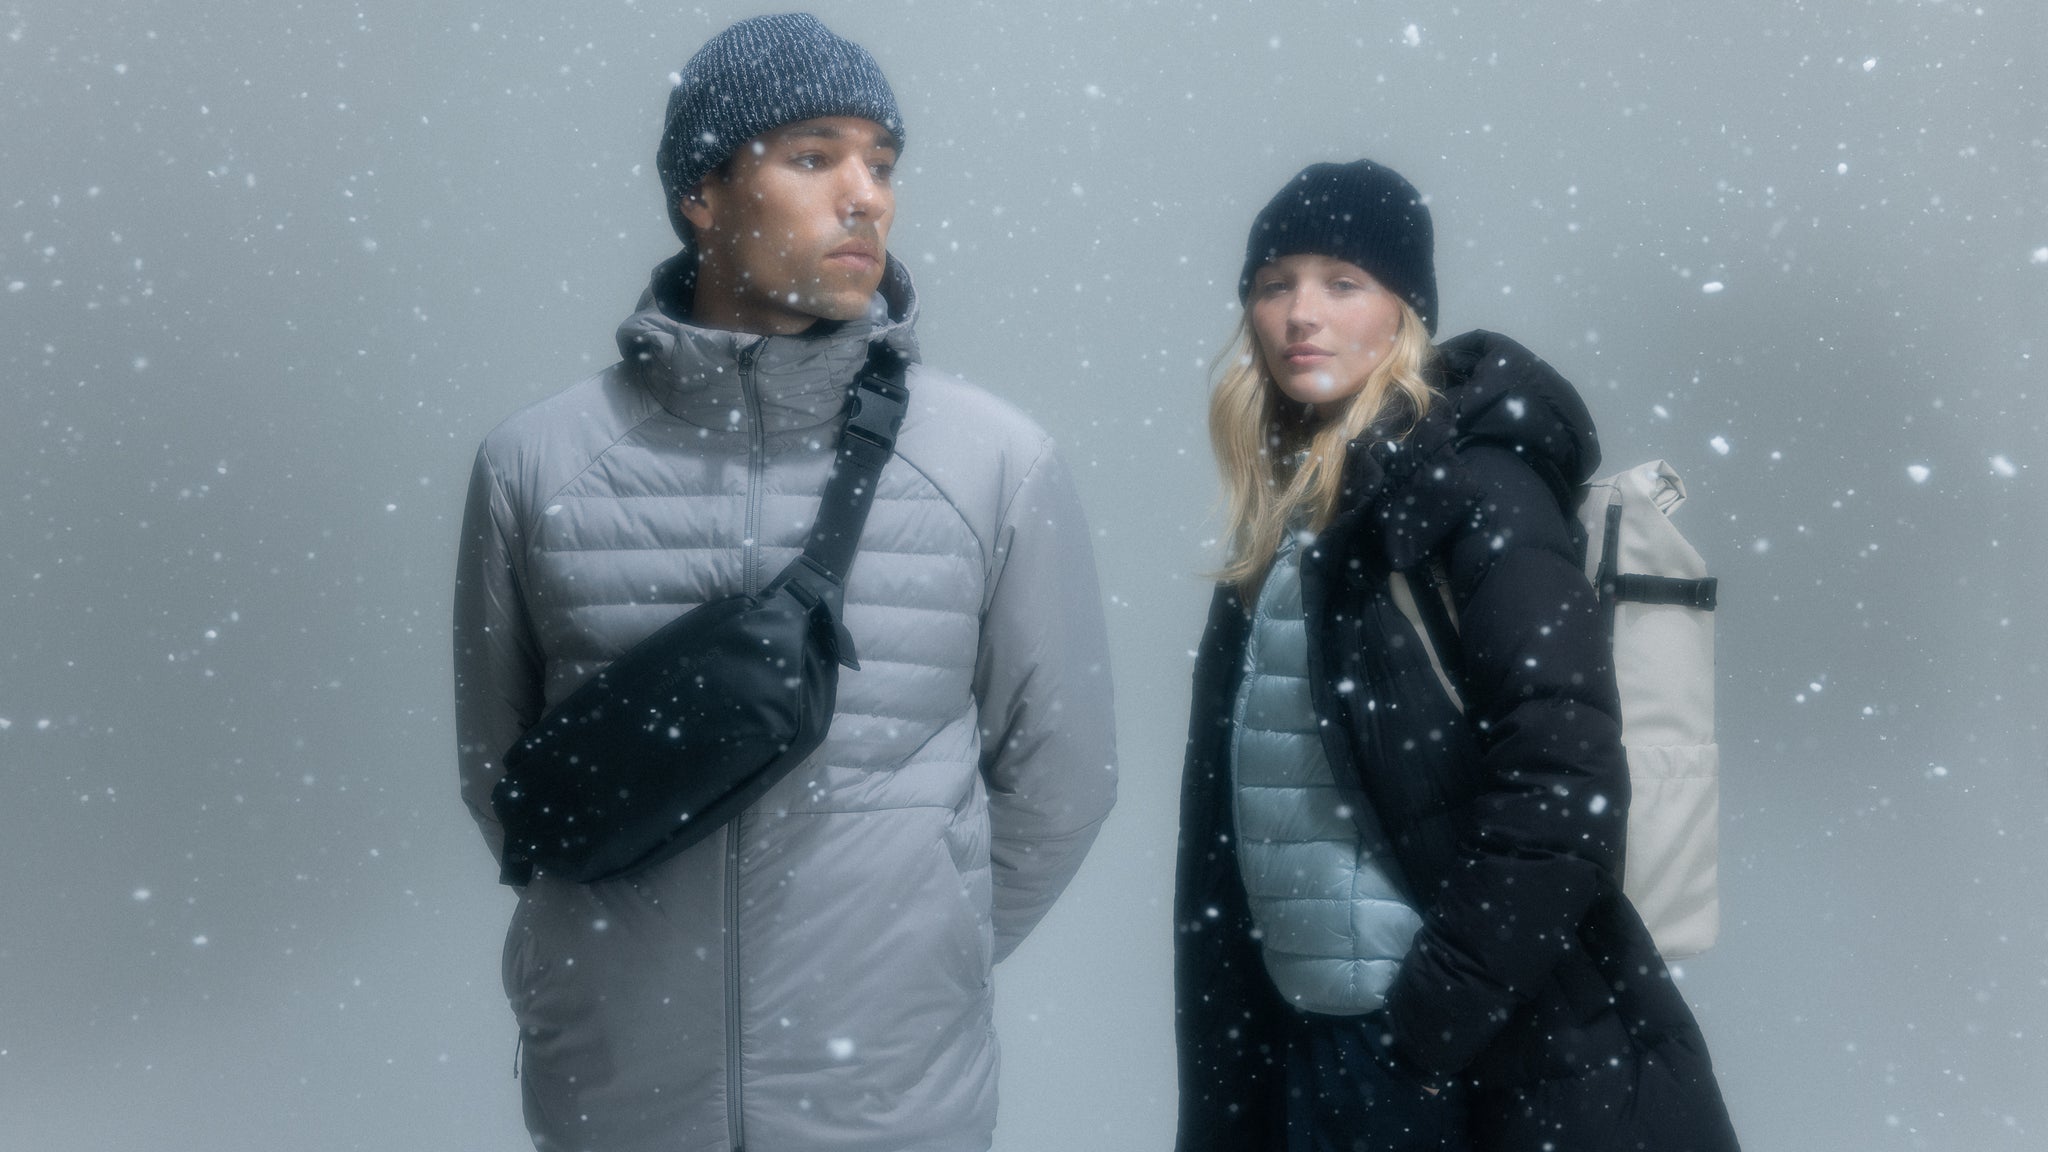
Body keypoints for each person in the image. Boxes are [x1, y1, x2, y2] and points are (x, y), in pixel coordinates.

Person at [452, 15, 1118, 1151]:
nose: (865, 195)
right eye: (814, 157)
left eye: (882, 163)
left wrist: (918, 958)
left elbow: (1064, 780)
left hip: (888, 1108)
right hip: (617, 1100)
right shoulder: (538, 466)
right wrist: (617, 972)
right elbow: (503, 778)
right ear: (702, 193)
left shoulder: (995, 465)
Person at [1173, 160, 1741, 1151]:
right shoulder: (1285, 520)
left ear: (1401, 313)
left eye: (1341, 283)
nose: (1300, 312)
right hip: (1310, 1043)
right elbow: (1227, 831)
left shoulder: (1476, 490)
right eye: (1275, 285)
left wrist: (1422, 1031)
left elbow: (1564, 789)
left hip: (1439, 1057)